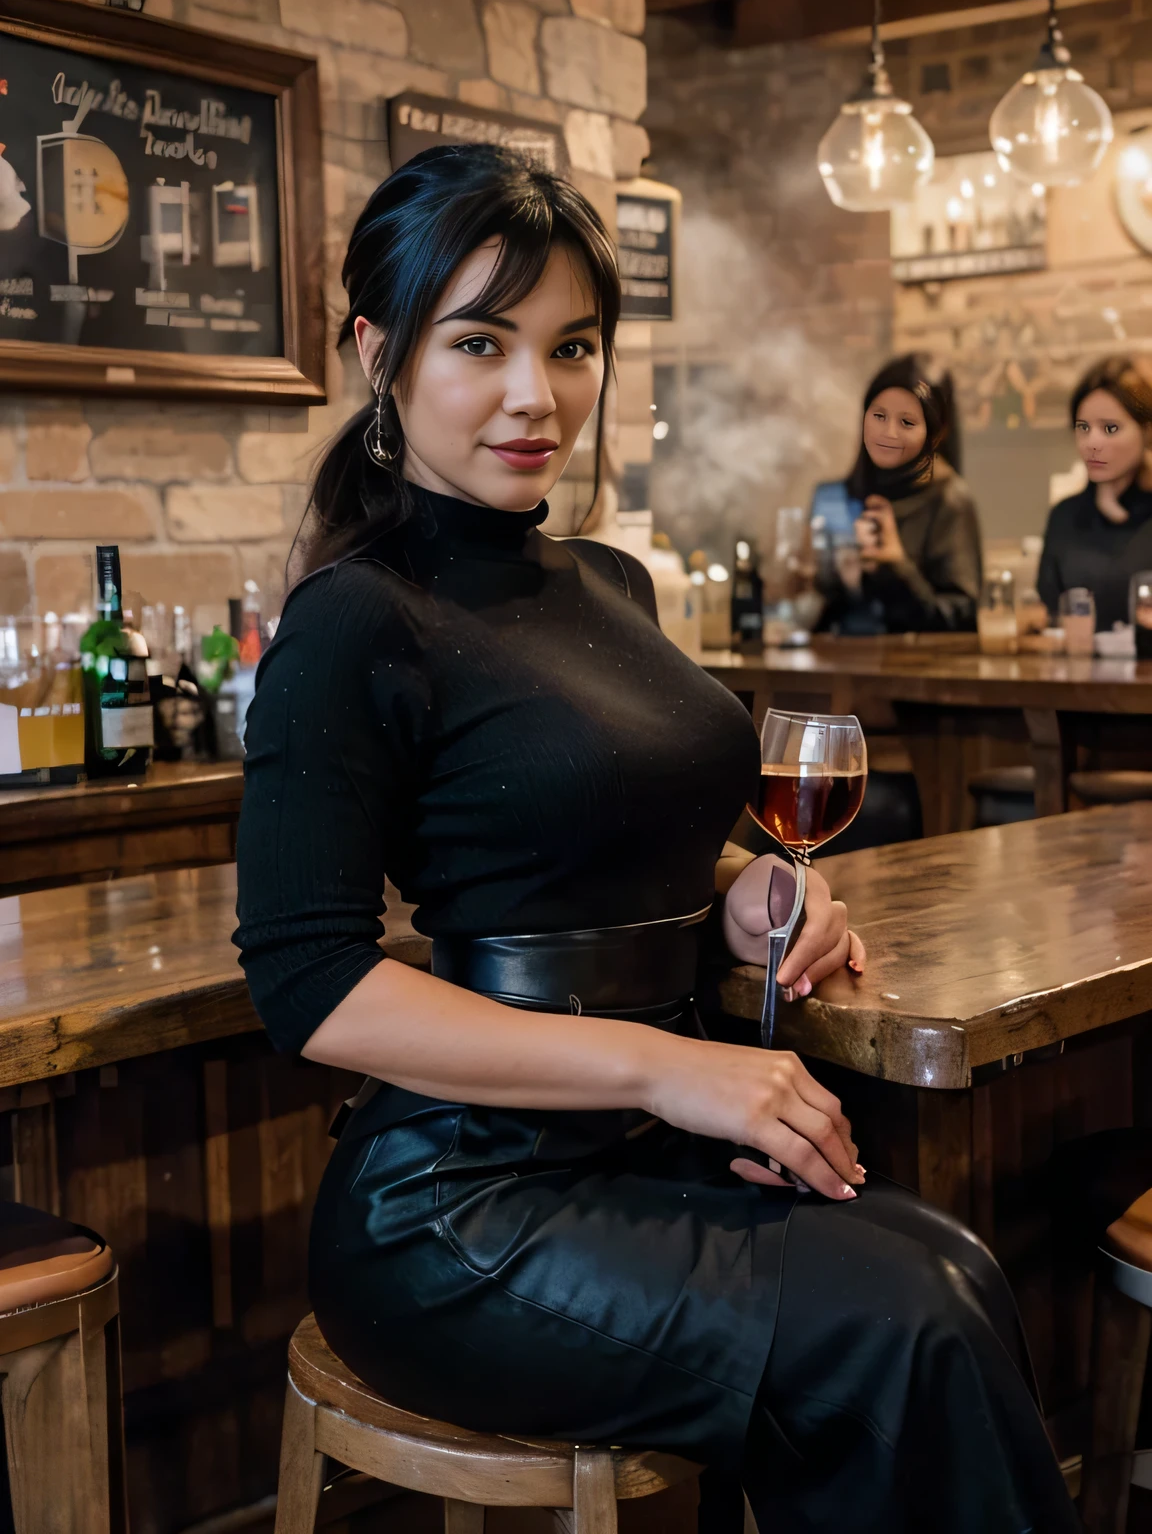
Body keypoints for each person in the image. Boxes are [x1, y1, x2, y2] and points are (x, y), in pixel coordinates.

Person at [234, 146, 1077, 1534]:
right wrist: (678, 1072)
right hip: (458, 1208)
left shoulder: (612, 582)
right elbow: (310, 986)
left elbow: (602, 841)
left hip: (636, 1152)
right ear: (380, 352)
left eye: (572, 346)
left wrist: (744, 893)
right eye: (481, 341)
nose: (536, 393)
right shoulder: (355, 617)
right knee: (903, 1325)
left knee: (956, 1269)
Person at [813, 353, 983, 633]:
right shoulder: (838, 496)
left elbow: (962, 619)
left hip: (915, 671)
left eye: (907, 422)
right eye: (879, 416)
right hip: (838, 668)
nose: (888, 433)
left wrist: (896, 567)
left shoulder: (949, 500)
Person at [1038, 355, 1152, 629]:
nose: (1092, 443)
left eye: (1110, 428)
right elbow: (1049, 619)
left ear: (1147, 431)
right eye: (1083, 428)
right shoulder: (1065, 516)